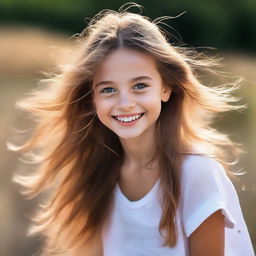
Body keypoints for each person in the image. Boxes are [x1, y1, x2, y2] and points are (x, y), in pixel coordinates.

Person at [9, 4, 255, 256]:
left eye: (139, 86)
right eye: (108, 89)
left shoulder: (197, 172)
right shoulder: (98, 174)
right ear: (91, 99)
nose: (125, 103)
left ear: (165, 88)